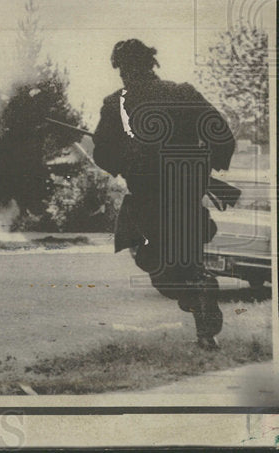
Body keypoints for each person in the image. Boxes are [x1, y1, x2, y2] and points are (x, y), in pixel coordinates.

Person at [93, 39, 235, 350]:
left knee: (155, 262)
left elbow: (101, 153)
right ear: (150, 63)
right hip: (186, 194)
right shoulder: (183, 93)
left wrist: (124, 162)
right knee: (188, 260)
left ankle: (197, 298)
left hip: (148, 197)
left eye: (121, 69)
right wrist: (202, 168)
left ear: (124, 68)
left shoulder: (115, 103)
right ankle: (204, 324)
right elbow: (222, 137)